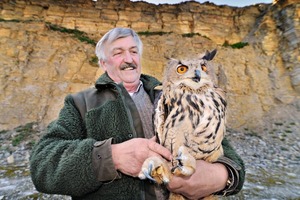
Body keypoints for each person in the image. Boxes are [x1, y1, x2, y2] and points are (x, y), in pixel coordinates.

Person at [30, 27, 245, 199]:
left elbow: (228, 155)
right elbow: (42, 163)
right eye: (118, 52)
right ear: (103, 63)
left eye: (134, 51)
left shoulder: (174, 94)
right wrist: (111, 157)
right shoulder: (81, 103)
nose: (129, 58)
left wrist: (220, 176)